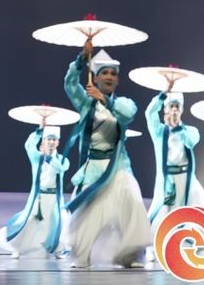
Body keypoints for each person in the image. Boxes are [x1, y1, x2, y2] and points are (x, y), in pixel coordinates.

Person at [62, 42, 151, 269]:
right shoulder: (86, 102)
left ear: (117, 80)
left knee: (132, 200)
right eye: (104, 73)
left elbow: (126, 115)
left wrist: (104, 99)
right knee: (89, 213)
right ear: (96, 77)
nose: (109, 76)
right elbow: (69, 84)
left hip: (118, 165)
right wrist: (81, 60)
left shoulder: (123, 103)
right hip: (93, 166)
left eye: (113, 73)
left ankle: (130, 255)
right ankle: (82, 256)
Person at [0, 122, 70, 258]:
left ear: (58, 143)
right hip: (39, 197)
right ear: (43, 141)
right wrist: (38, 131)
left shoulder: (62, 160)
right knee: (29, 221)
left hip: (54, 198)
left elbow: (60, 168)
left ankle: (58, 249)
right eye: (49, 139)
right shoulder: (36, 158)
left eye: (54, 140)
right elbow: (29, 145)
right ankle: (17, 247)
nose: (51, 142)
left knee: (58, 222)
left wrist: (49, 157)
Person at [146, 82, 204, 242]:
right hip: (168, 179)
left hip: (187, 178)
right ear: (165, 109)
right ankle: (163, 242)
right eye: (171, 106)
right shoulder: (159, 131)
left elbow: (191, 142)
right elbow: (149, 112)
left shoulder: (190, 131)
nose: (174, 109)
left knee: (196, 207)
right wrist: (162, 95)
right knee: (164, 212)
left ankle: (194, 240)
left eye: (177, 106)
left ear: (181, 110)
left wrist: (178, 127)